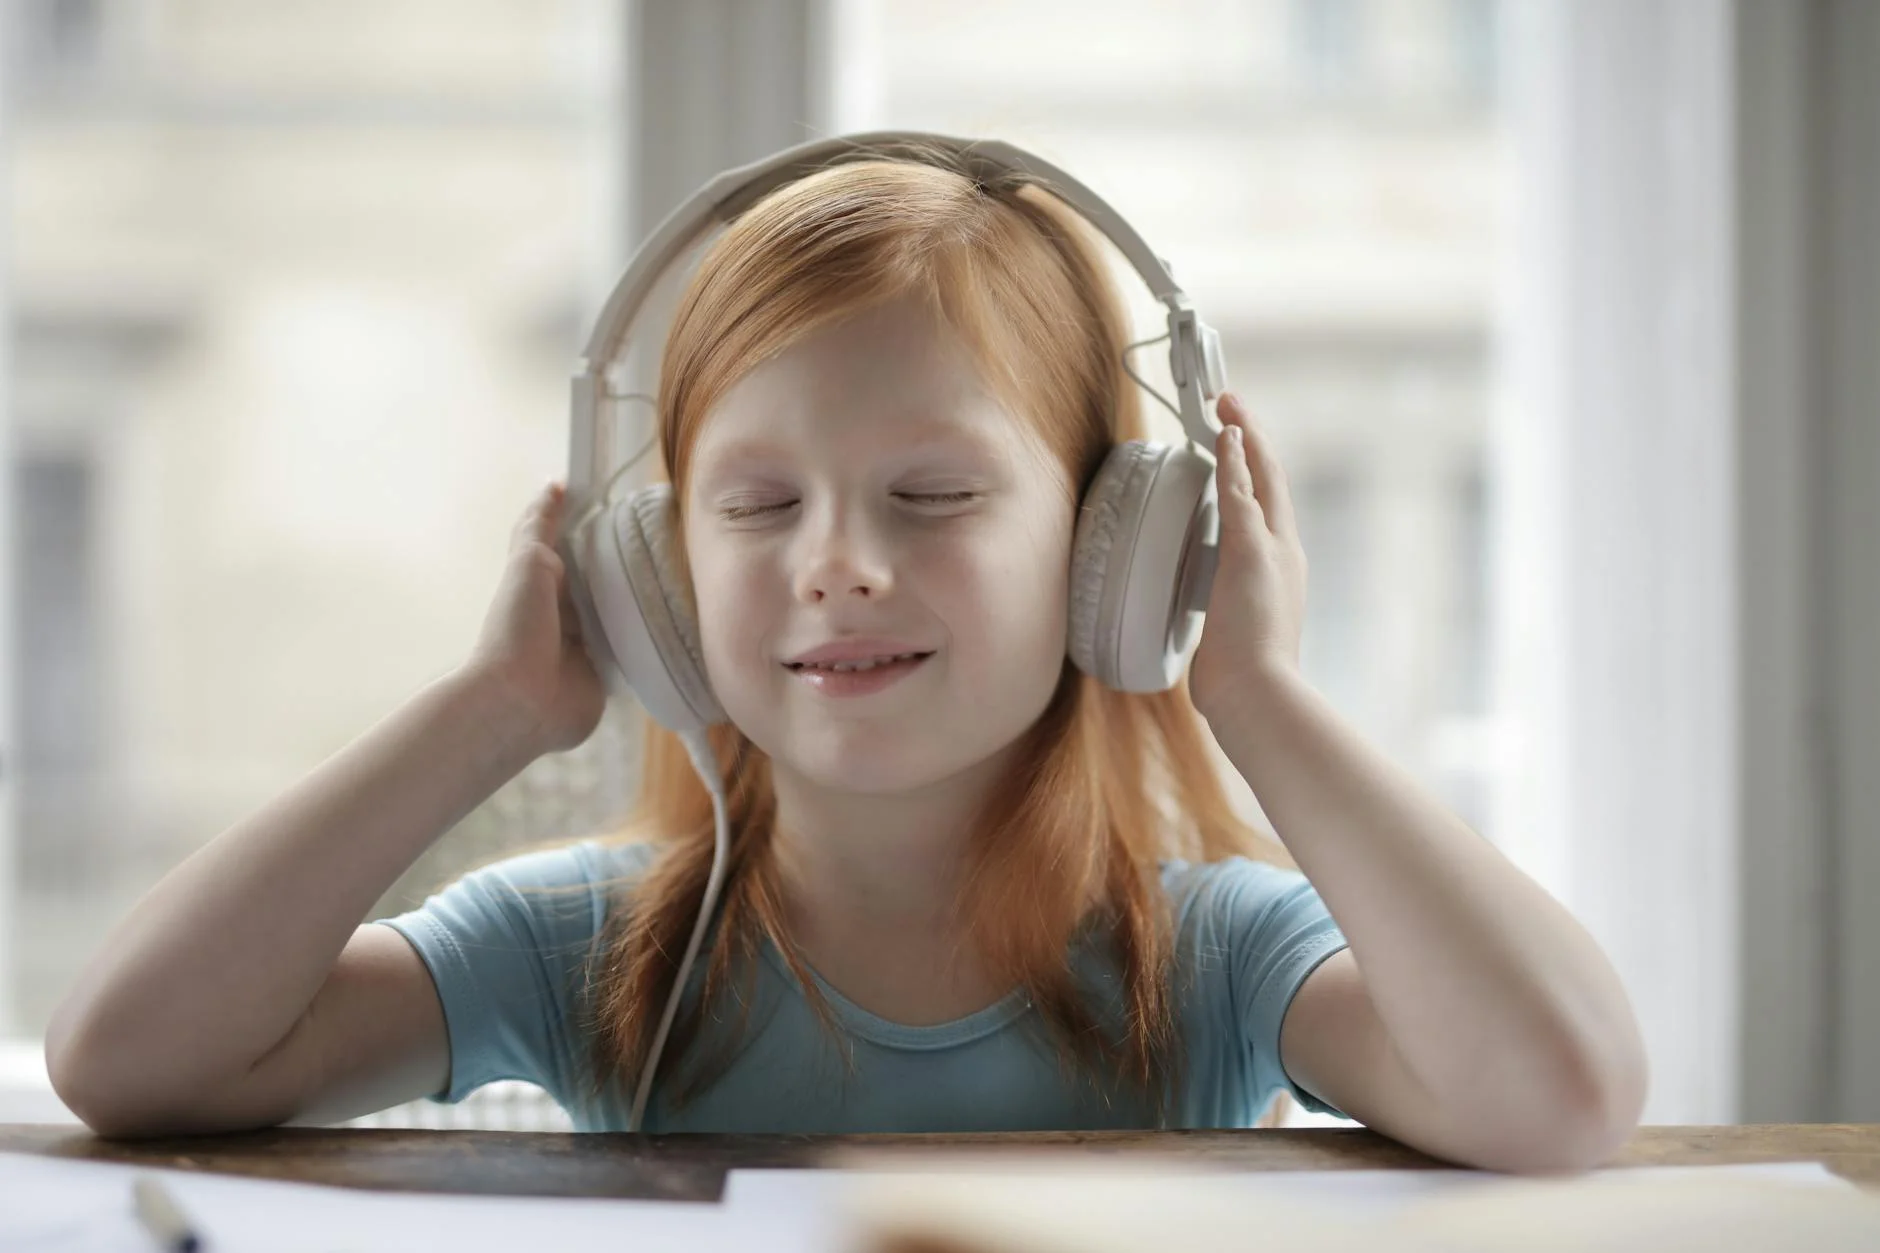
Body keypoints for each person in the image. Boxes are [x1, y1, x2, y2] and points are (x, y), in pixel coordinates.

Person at [44, 149, 1647, 1173]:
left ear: (1122, 554)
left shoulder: (1209, 956)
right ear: (654, 578)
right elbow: (128, 1060)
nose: (836, 563)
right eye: (755, 506)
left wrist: (1259, 696)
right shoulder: (597, 950)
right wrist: (490, 715)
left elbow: (1562, 1094)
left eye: (934, 494)